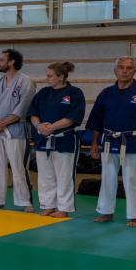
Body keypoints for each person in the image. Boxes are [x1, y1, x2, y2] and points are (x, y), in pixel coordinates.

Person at [87, 57, 136, 228]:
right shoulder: (106, 93)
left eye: (129, 68)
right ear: (115, 70)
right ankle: (106, 212)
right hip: (108, 141)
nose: (125, 71)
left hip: (133, 141)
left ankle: (134, 216)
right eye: (121, 67)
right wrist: (94, 143)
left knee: (132, 179)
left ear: (135, 71)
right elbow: (96, 120)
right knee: (107, 178)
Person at [29, 62, 86, 219]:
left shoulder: (74, 93)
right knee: (45, 175)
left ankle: (63, 208)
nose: (47, 78)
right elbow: (33, 113)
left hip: (64, 139)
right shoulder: (43, 93)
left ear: (61, 77)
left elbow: (73, 117)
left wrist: (52, 127)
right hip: (43, 139)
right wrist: (39, 125)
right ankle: (48, 205)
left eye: (50, 76)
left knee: (64, 176)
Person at [0, 49, 35, 212]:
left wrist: (3, 122)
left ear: (12, 62)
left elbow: (24, 107)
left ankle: (25, 201)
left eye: (2, 60)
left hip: (16, 130)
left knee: (18, 166)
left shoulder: (25, 82)